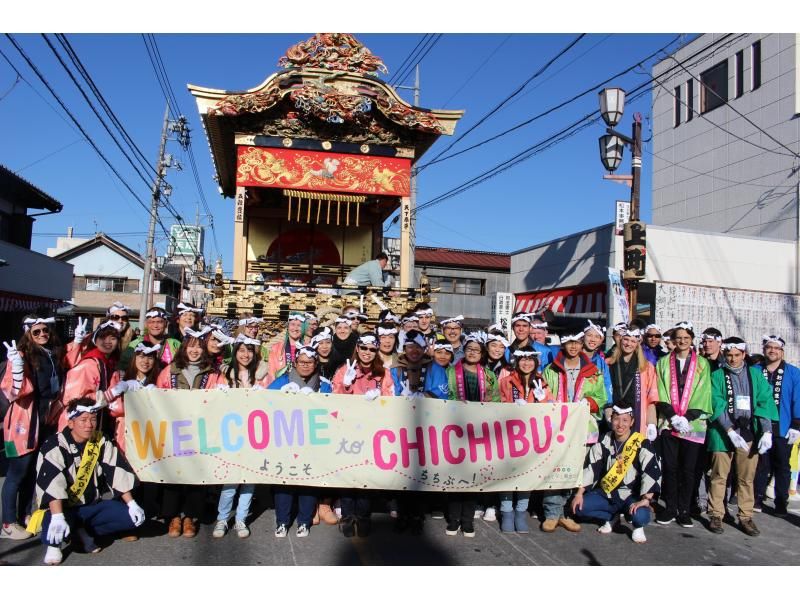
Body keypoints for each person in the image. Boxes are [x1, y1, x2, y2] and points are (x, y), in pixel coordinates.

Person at [28, 397, 143, 565]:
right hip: (63, 508)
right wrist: (58, 516)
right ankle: (55, 544)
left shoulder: (100, 440)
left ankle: (78, 531)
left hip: (91, 505)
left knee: (132, 518)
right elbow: (52, 483)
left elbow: (115, 471)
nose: (89, 424)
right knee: (53, 521)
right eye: (83, 420)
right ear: (71, 423)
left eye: (93, 419)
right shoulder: (54, 444)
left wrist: (132, 503)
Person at [156, 327, 227, 538]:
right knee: (174, 474)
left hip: (200, 430)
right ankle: (173, 517)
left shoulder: (213, 373)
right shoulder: (170, 370)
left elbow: (219, 397)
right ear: (184, 348)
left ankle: (190, 517)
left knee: (196, 474)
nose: (194, 351)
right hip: (175, 429)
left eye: (198, 346)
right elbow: (159, 395)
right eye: (190, 346)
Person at [1, 316, 66, 540]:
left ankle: (25, 514)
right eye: (36, 332)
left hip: (44, 420)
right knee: (16, 473)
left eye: (45, 331)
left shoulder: (51, 352)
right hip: (22, 423)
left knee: (32, 471)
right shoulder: (20, 356)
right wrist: (17, 367)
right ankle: (8, 523)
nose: (42, 335)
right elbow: (13, 391)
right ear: (28, 333)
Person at [706, 338, 778, 536]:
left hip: (747, 431)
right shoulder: (718, 375)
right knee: (719, 475)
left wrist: (767, 431)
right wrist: (728, 429)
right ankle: (716, 514)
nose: (733, 359)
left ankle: (746, 516)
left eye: (737, 355)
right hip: (723, 432)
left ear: (744, 355)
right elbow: (716, 402)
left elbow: (765, 401)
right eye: (729, 355)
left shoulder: (755, 375)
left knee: (746, 477)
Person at [540, 331, 607, 533]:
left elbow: (602, 397)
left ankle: (566, 513)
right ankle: (552, 513)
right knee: (555, 468)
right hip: (557, 427)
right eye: (569, 343)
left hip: (583, 427)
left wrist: (591, 403)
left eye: (577, 343)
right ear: (563, 345)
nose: (573, 347)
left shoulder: (593, 371)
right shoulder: (551, 370)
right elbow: (544, 393)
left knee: (574, 469)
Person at [332, 334, 394, 536]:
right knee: (349, 475)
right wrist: (346, 385)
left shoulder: (384, 373)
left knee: (366, 477)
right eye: (364, 348)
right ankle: (348, 516)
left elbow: (391, 400)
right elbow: (333, 402)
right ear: (357, 349)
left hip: (371, 432)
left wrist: (380, 400)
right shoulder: (345, 370)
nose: (367, 353)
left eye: (372, 349)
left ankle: (364, 516)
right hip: (348, 431)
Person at [571, 406, 662, 544]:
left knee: (641, 516)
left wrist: (646, 499)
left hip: (631, 496)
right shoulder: (604, 439)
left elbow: (651, 471)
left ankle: (637, 527)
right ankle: (612, 517)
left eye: (625, 420)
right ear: (611, 420)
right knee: (578, 507)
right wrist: (579, 493)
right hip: (608, 493)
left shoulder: (641, 442)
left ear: (632, 422)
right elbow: (591, 466)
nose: (620, 424)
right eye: (616, 419)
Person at [269, 345, 333, 538]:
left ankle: (304, 521)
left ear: (315, 364)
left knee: (308, 481)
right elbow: (264, 401)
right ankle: (282, 521)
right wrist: (280, 396)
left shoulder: (324, 384)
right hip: (285, 439)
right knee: (284, 480)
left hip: (312, 441)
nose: (306, 366)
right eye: (302, 362)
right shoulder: (282, 381)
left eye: (310, 362)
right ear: (295, 363)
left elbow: (332, 409)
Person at [654, 321, 712, 528]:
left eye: (686, 338)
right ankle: (670, 507)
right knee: (670, 467)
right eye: (678, 337)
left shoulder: (703, 365)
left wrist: (688, 416)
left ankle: (685, 509)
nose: (682, 341)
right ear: (673, 340)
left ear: (691, 340)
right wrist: (671, 414)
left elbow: (704, 393)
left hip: (693, 425)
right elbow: (659, 389)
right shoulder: (662, 362)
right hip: (669, 423)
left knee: (689, 469)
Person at [444, 333, 500, 537]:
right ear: (464, 351)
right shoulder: (451, 372)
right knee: (455, 477)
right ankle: (453, 519)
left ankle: (467, 520)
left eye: (477, 350)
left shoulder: (488, 375)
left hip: (479, 430)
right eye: (469, 349)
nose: (473, 353)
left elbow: (495, 400)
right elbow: (445, 396)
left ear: (482, 353)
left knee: (473, 477)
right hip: (455, 428)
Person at [498, 349, 555, 533]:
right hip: (508, 435)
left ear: (536, 362)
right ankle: (506, 512)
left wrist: (542, 400)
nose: (526, 363)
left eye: (530, 360)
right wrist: (511, 407)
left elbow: (552, 408)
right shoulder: (506, 381)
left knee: (526, 474)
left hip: (532, 437)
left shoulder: (541, 382)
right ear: (517, 361)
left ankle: (520, 511)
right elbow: (494, 405)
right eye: (523, 359)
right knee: (507, 473)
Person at [754, 335, 800, 516]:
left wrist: (796, 424)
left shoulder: (793, 372)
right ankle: (756, 497)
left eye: (776, 348)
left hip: (783, 426)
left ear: (782, 351)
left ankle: (781, 501)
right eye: (768, 347)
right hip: (760, 425)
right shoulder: (755, 370)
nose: (772, 351)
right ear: (764, 350)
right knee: (759, 464)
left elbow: (798, 398)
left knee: (782, 465)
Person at [62, 321, 123, 438]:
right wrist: (111, 394)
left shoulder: (109, 363)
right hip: (79, 427)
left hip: (95, 425)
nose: (108, 342)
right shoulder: (89, 364)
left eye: (113, 338)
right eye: (103, 337)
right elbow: (74, 399)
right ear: (95, 340)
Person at [605, 327, 659, 439]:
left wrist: (652, 423)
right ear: (620, 340)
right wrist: (607, 411)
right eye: (626, 340)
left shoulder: (646, 367)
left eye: (633, 341)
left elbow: (651, 397)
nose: (629, 344)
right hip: (613, 414)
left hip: (636, 414)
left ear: (638, 344)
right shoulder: (608, 363)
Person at [583, 320, 613, 418]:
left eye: (597, 337)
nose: (593, 339)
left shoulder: (601, 362)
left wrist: (608, 407)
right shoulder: (574, 357)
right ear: (583, 336)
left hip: (595, 411)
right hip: (574, 408)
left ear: (601, 340)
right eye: (589, 335)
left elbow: (607, 385)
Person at [265, 312, 305, 385]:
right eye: (292, 324)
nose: (295, 328)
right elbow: (271, 372)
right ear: (288, 327)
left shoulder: (307, 348)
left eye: (299, 325)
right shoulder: (276, 348)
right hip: (280, 387)